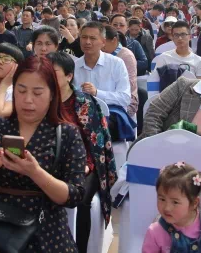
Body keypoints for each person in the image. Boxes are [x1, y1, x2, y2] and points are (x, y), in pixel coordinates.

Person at [0, 57, 87, 252]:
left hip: (44, 227)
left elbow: (74, 195)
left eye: (37, 93)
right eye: (21, 91)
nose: (28, 100)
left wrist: (35, 172)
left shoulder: (67, 134)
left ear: (52, 94)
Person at [48, 52, 117, 253]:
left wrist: (83, 164)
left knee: (81, 198)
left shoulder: (84, 103)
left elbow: (95, 144)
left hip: (86, 163)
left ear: (69, 76)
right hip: (49, 161)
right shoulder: (42, 100)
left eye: (53, 72)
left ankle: (80, 248)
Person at [142, 162, 201, 253]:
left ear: (194, 203)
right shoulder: (156, 230)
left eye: (175, 202)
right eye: (162, 199)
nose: (167, 208)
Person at [74, 22, 133, 139]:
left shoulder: (116, 63)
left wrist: (97, 93)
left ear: (103, 42)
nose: (87, 42)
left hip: (109, 117)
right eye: (84, 37)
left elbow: (125, 98)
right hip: (80, 117)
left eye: (93, 38)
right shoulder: (74, 66)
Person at [103, 26, 139, 117]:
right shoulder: (100, 54)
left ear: (114, 40)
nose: (100, 45)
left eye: (103, 41)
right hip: (103, 97)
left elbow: (130, 84)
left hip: (127, 100)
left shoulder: (126, 56)